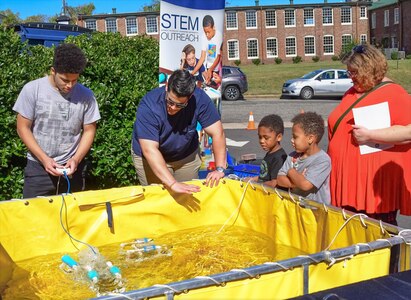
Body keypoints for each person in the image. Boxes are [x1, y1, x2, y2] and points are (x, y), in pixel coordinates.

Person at [328, 43, 411, 224]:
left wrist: (371, 135)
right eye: (349, 72)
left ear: (369, 69)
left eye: (354, 73)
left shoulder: (394, 93)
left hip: (373, 187)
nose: (351, 77)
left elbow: (409, 132)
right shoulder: (351, 92)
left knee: (377, 236)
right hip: (348, 180)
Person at [13, 43, 101, 198]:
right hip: (38, 168)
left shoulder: (87, 95)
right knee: (34, 219)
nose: (70, 85)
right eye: (65, 80)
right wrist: (44, 159)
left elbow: (89, 130)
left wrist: (76, 158)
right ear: (53, 71)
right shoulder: (32, 89)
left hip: (72, 169)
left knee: (71, 219)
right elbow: (22, 128)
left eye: (75, 80)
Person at [131, 69, 226, 193]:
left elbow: (217, 132)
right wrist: (172, 183)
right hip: (151, 156)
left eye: (180, 105)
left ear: (190, 96)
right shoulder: (149, 105)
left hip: (186, 157)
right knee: (159, 200)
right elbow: (149, 149)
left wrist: (219, 169)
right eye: (170, 101)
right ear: (166, 87)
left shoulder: (200, 99)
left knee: (187, 198)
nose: (173, 108)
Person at [277, 112, 331, 204]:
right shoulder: (292, 156)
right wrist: (295, 183)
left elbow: (305, 185)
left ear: (310, 139)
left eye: (295, 137)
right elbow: (280, 179)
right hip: (296, 207)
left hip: (315, 212)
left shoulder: (322, 160)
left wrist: (291, 172)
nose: (291, 140)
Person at [245, 114, 287, 188]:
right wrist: (251, 179)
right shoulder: (270, 152)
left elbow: (274, 183)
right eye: (260, 137)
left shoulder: (279, 158)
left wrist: (257, 185)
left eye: (266, 138)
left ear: (279, 137)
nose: (261, 141)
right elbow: (263, 177)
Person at [191, 15, 223, 86]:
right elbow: (202, 57)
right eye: (205, 32)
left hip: (217, 69)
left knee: (216, 87)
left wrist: (211, 69)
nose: (207, 35)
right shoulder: (203, 37)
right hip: (209, 67)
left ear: (213, 27)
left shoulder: (219, 36)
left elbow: (219, 57)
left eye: (208, 32)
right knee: (207, 85)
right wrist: (193, 73)